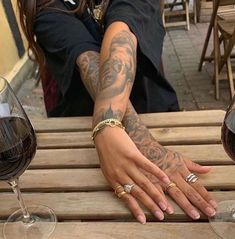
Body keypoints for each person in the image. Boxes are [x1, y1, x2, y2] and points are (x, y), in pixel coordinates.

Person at [17, 0, 217, 224]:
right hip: (78, 132)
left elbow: (122, 32)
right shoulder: (42, 4)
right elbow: (87, 60)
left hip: (154, 113)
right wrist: (110, 126)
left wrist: (116, 127)